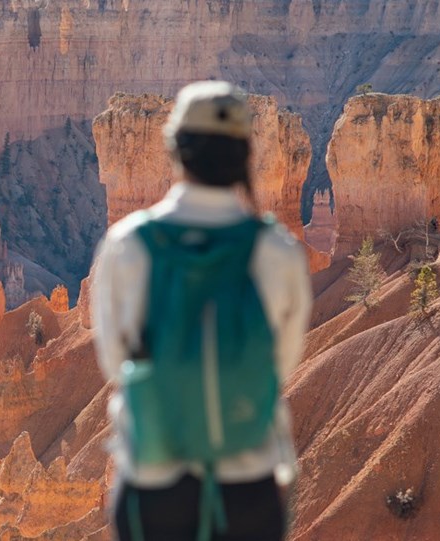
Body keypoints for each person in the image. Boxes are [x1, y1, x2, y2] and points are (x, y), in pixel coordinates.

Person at [91, 81, 312, 541]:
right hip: (248, 486)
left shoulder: (129, 244)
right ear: (246, 156)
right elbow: (282, 363)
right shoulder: (277, 249)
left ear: (174, 151)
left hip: (154, 482)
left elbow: (115, 361)